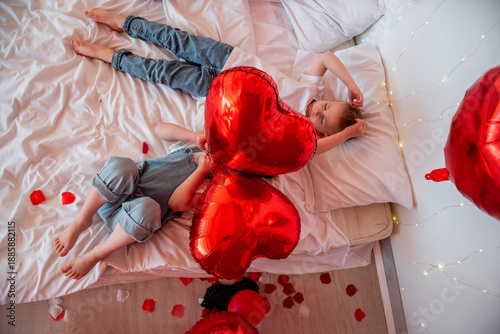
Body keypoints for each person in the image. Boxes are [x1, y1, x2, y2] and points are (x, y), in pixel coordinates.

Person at [71, 9, 367, 156]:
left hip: (219, 92)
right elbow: (327, 57)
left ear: (319, 131)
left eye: (323, 120)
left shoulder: (299, 131)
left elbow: (313, 152)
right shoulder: (311, 88)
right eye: (326, 106)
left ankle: (112, 57)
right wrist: (350, 84)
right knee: (176, 39)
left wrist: (347, 133)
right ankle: (125, 23)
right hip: (231, 59)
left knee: (164, 73)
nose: (318, 111)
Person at [53, 123, 216, 280]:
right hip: (111, 195)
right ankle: (80, 221)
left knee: (149, 207)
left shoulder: (210, 185)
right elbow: (160, 129)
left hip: (128, 222)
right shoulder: (193, 149)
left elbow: (176, 203)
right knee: (123, 166)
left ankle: (96, 254)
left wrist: (201, 171)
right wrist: (195, 138)